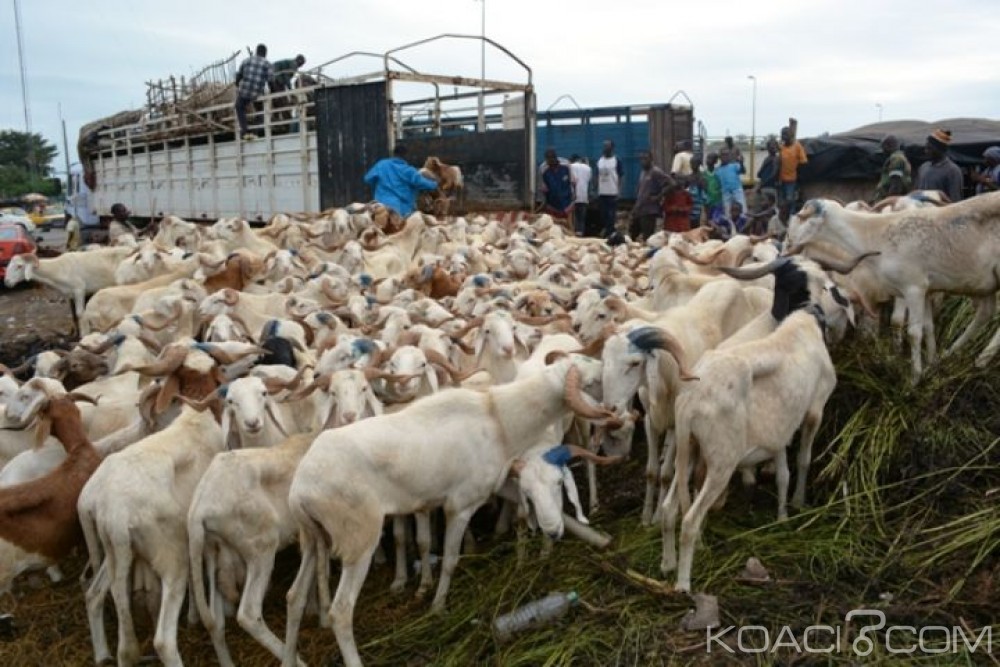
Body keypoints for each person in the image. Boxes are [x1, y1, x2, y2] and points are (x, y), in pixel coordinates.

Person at [363, 144, 440, 218]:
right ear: (406, 156)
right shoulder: (409, 171)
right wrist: (435, 184)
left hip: (379, 206)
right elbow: (421, 183)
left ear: (393, 154)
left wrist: (377, 189)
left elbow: (368, 179)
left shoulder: (382, 164)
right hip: (399, 210)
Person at [234, 44, 273, 140]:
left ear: (256, 51)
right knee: (260, 109)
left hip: (244, 91)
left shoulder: (246, 60)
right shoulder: (267, 64)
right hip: (257, 93)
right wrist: (272, 92)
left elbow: (238, 76)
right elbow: (271, 81)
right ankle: (257, 129)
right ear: (265, 53)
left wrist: (237, 84)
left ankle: (245, 130)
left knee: (239, 107)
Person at [629, 151, 671, 240]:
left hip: (650, 210)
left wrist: (658, 196)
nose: (643, 161)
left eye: (645, 158)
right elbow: (641, 191)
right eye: (641, 159)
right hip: (640, 208)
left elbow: (670, 184)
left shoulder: (655, 171)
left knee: (648, 237)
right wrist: (635, 207)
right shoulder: (643, 172)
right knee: (632, 233)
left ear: (651, 159)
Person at [914, 129, 963, 202]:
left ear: (940, 149)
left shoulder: (953, 171)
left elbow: (955, 202)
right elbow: (917, 193)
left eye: (929, 148)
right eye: (926, 148)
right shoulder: (923, 167)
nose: (926, 151)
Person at [596, 139, 625, 237]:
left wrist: (619, 191)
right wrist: (596, 189)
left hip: (612, 193)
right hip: (602, 193)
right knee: (603, 215)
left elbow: (621, 176)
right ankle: (608, 233)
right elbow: (597, 176)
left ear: (612, 148)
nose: (605, 148)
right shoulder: (600, 160)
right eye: (604, 146)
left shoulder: (616, 160)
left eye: (607, 146)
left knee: (611, 216)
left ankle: (611, 235)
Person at [539, 148, 575, 224]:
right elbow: (543, 188)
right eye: (547, 160)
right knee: (553, 230)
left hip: (567, 206)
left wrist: (572, 204)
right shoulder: (543, 168)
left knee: (569, 231)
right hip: (552, 207)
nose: (548, 163)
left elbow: (573, 183)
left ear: (555, 158)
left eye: (550, 160)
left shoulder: (566, 165)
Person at [873, 134, 913, 200]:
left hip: (889, 201)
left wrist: (888, 201)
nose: (883, 151)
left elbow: (896, 184)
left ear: (888, 146)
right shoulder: (900, 157)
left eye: (883, 147)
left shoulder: (896, 158)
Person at [777, 126, 808, 209]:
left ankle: (791, 216)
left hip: (791, 179)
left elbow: (803, 161)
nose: (783, 137)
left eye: (785, 135)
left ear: (790, 135)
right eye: (782, 135)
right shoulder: (781, 147)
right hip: (780, 179)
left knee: (790, 200)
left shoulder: (797, 146)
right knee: (781, 200)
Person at [716, 149, 747, 218]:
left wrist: (741, 163)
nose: (725, 157)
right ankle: (730, 226)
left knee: (742, 210)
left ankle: (743, 224)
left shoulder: (734, 165)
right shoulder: (717, 170)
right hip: (726, 193)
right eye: (723, 155)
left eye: (727, 155)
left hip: (737, 190)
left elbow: (743, 171)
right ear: (720, 157)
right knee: (727, 212)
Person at [568, 154, 592, 236]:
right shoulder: (588, 168)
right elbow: (588, 182)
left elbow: (571, 181)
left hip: (572, 197)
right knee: (581, 219)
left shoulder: (570, 166)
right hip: (584, 197)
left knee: (573, 218)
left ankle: (573, 234)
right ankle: (580, 234)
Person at [703, 152, 724, 222]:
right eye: (707, 158)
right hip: (708, 202)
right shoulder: (703, 174)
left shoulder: (719, 172)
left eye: (710, 158)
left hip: (718, 201)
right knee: (708, 220)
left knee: (716, 221)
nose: (708, 160)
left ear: (715, 161)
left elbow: (722, 185)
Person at [687, 154, 706, 228]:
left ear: (699, 164)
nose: (692, 165)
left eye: (694, 163)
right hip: (690, 206)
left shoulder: (702, 177)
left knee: (698, 226)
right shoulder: (689, 177)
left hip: (699, 207)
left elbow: (704, 193)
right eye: (691, 163)